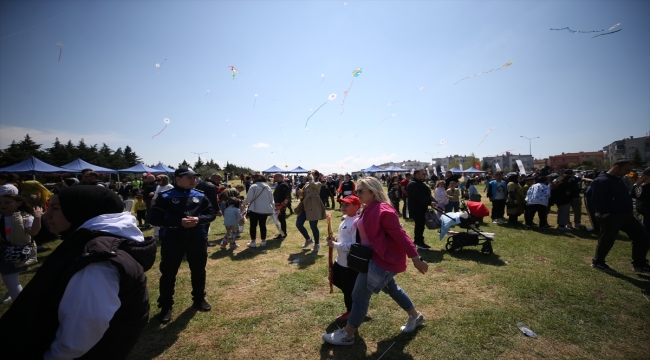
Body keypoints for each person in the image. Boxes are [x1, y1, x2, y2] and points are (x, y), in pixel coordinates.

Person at [0, 186, 156, 359]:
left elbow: (81, 332)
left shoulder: (97, 262)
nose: (46, 214)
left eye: (56, 208)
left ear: (80, 210)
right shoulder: (91, 246)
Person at [321, 177, 428, 346]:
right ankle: (416, 316)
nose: (357, 194)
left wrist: (416, 258)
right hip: (373, 257)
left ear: (373, 191)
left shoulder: (384, 210)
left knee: (359, 296)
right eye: (357, 191)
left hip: (383, 260)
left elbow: (401, 236)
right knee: (392, 289)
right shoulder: (368, 207)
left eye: (361, 191)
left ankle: (348, 335)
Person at [150, 168, 217, 323]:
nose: (193, 180)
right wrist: (178, 222)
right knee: (168, 273)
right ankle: (166, 306)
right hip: (173, 240)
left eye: (195, 178)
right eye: (189, 178)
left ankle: (199, 299)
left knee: (199, 271)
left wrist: (199, 220)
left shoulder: (200, 195)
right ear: (178, 179)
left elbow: (211, 214)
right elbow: (154, 218)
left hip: (197, 239)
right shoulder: (165, 196)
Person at [590, 160, 650, 274]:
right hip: (612, 216)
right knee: (607, 240)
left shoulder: (619, 179)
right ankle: (598, 262)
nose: (628, 173)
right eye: (626, 170)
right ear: (616, 167)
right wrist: (605, 214)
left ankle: (640, 264)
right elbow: (596, 199)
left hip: (627, 216)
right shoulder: (602, 180)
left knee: (642, 237)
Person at [0, 194, 41, 303]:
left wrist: (37, 217)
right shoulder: (1, 216)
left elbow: (33, 232)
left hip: (15, 252)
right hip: (2, 250)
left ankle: (21, 306)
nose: (2, 205)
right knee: (9, 278)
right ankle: (11, 295)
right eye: (0, 203)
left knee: (9, 278)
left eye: (7, 202)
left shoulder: (25, 217)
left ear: (19, 203)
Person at [326, 195, 361, 322]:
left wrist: (334, 245)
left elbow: (354, 245)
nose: (343, 207)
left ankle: (351, 311)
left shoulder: (356, 223)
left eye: (347, 205)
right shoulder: (345, 219)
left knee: (347, 289)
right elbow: (344, 238)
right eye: (342, 204)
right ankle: (358, 304)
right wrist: (335, 240)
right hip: (340, 260)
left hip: (349, 263)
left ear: (356, 207)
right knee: (335, 280)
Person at [296, 170, 327, 253]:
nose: (309, 175)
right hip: (305, 206)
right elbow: (303, 195)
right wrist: (300, 194)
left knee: (313, 226)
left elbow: (313, 184)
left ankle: (317, 244)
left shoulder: (318, 183)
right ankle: (308, 239)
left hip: (313, 207)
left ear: (316, 176)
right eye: (308, 174)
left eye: (311, 174)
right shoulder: (306, 184)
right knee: (298, 224)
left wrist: (311, 178)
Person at [242, 174, 275, 248]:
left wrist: (242, 203)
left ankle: (253, 242)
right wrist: (273, 207)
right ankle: (263, 241)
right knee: (263, 225)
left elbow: (249, 198)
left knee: (253, 225)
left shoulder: (253, 186)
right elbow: (272, 199)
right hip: (265, 209)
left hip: (254, 209)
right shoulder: (267, 187)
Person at [407, 169, 434, 250]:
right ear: (417, 175)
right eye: (423, 174)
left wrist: (433, 200)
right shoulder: (412, 184)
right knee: (419, 226)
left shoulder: (421, 184)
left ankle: (418, 241)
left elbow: (428, 194)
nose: (425, 175)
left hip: (422, 208)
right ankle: (418, 242)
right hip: (416, 209)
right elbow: (419, 197)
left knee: (421, 225)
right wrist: (429, 202)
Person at [632, 168, 650, 234]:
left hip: (639, 205)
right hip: (647, 206)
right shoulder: (648, 184)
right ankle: (646, 237)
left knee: (646, 222)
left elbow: (633, 195)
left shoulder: (637, 184)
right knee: (647, 225)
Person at [273, 173, 291, 239]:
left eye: (275, 177)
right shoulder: (280, 184)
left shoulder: (283, 185)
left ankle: (283, 233)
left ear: (279, 177)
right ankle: (282, 233)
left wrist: (280, 204)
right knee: (280, 219)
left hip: (281, 205)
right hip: (277, 204)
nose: (274, 179)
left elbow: (284, 196)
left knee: (282, 219)